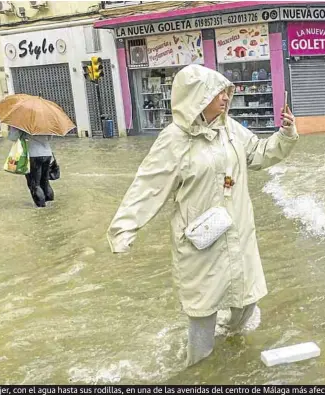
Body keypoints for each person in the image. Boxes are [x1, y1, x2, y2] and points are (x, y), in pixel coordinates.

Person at [106, 64, 299, 367]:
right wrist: (124, 229)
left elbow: (259, 153)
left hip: (238, 231)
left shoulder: (230, 130)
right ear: (197, 97)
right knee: (203, 311)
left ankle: (231, 351)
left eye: (225, 91)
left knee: (246, 300)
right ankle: (198, 371)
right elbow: (148, 185)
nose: (225, 97)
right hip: (200, 240)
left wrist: (285, 135)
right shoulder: (174, 140)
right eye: (217, 92)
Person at [7, 126, 54, 208]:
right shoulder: (45, 122)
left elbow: (13, 137)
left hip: (33, 155)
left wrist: (13, 128)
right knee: (45, 182)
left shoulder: (22, 123)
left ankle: (41, 208)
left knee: (35, 184)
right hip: (47, 153)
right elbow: (49, 138)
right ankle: (51, 205)